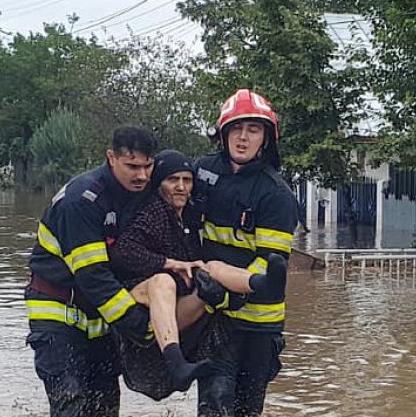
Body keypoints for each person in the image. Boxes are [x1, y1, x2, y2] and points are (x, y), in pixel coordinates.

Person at [25, 126, 157, 417]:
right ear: (111, 157)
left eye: (148, 167)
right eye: (132, 166)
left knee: (104, 403)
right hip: (57, 312)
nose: (141, 175)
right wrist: (138, 325)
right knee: (70, 397)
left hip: (98, 319)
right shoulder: (82, 200)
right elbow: (94, 277)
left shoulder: (138, 196)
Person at [109, 150, 287, 397]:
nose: (181, 187)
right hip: (143, 303)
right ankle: (176, 363)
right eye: (173, 180)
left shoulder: (191, 217)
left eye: (187, 180)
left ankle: (261, 283)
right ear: (159, 183)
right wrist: (168, 263)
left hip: (178, 307)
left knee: (212, 268)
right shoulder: (152, 213)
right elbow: (122, 252)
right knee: (163, 282)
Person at [193, 89, 298, 417]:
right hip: (213, 318)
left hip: (259, 324)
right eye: (236, 129)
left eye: (253, 130)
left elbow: (270, 267)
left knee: (246, 412)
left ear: (266, 138)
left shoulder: (276, 194)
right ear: (222, 134)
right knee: (215, 398)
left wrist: (228, 284)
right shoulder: (201, 173)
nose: (243, 138)